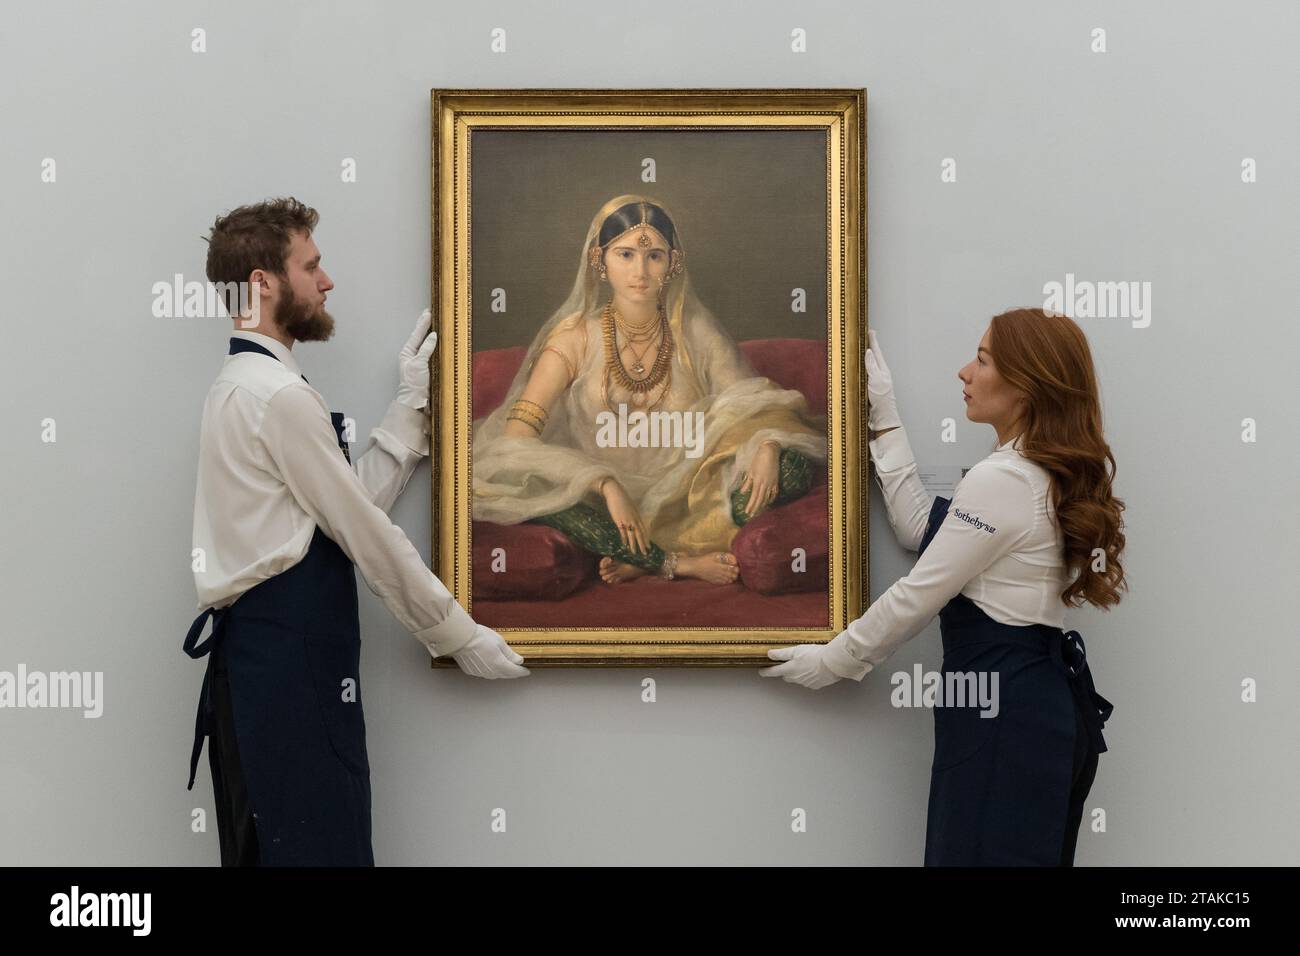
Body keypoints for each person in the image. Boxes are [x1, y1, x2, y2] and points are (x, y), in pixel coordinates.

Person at [184, 197, 528, 867]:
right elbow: (365, 534)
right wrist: (456, 633)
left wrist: (408, 410)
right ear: (262, 284)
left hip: (268, 668)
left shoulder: (246, 386)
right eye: (311, 266)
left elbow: (335, 515)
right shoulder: (276, 398)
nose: (327, 280)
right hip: (289, 670)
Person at [761, 310, 1125, 866]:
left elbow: (918, 594)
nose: (963, 373)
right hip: (1033, 711)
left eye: (981, 360)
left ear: (1025, 387)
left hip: (1004, 717)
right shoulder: (1033, 475)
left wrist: (835, 660)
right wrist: (882, 412)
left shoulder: (1003, 480)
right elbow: (919, 529)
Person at [471, 194, 827, 586]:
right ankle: (673, 562)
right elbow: (516, 439)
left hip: (690, 496)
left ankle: (642, 558)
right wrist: (602, 482)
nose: (640, 270)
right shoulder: (574, 337)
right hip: (605, 501)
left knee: (789, 467)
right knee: (528, 489)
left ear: (672, 264)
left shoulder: (694, 329)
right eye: (625, 254)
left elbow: (751, 403)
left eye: (654, 255)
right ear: (599, 260)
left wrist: (768, 446)